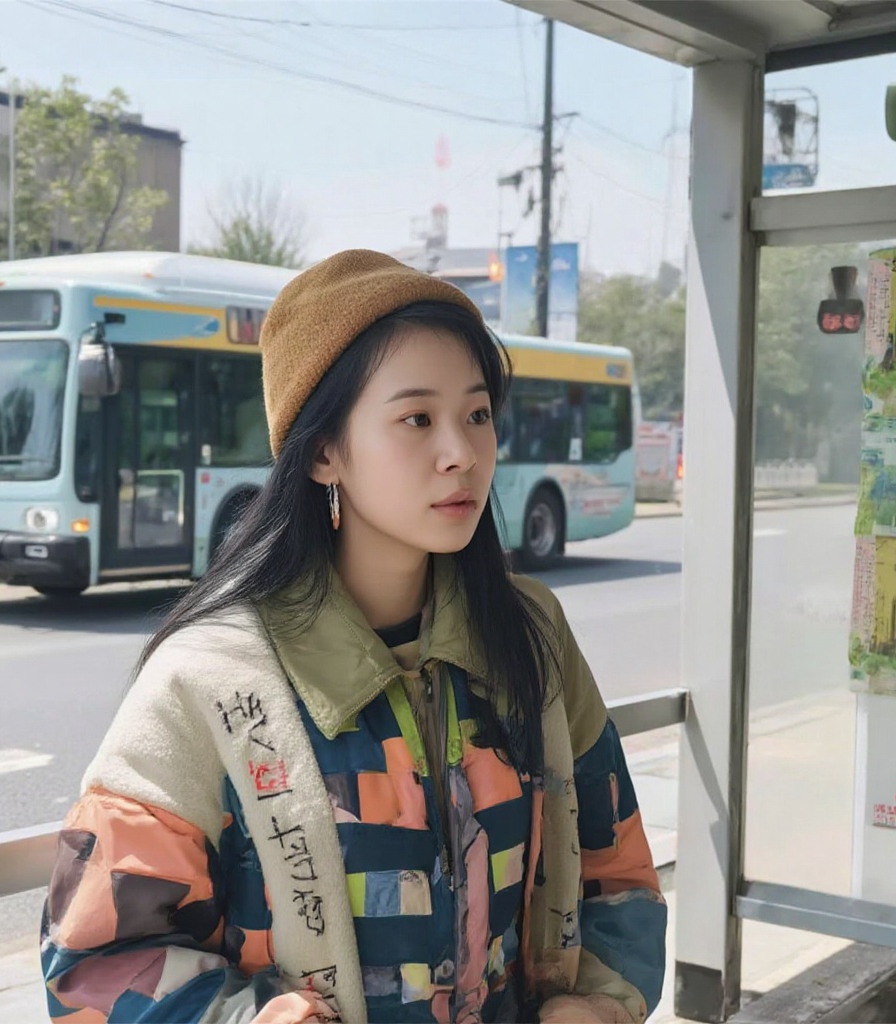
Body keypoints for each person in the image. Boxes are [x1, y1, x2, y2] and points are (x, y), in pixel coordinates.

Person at [40, 250, 666, 1024]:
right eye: (417, 419)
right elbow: (95, 960)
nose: (462, 453)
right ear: (326, 451)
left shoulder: (531, 635)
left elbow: (616, 868)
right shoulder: (209, 678)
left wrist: (600, 1004)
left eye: (477, 415)